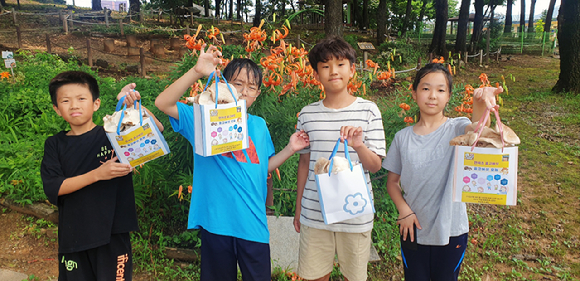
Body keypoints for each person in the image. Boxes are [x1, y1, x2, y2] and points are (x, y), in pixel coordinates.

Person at [154, 45, 309, 281]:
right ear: (223, 86)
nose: (245, 92)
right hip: (216, 223)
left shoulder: (259, 125)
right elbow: (163, 103)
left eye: (252, 87)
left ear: (258, 94)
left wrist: (290, 149)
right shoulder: (202, 119)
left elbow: (261, 168)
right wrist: (197, 71)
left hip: (252, 223)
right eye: (238, 84)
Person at [382, 63, 502, 281]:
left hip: (452, 230)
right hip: (413, 230)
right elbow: (392, 182)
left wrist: (480, 103)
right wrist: (404, 211)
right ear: (414, 93)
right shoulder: (402, 137)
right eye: (425, 88)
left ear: (448, 96)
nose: (432, 96)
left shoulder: (456, 127)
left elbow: (477, 130)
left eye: (440, 90)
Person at [41, 71, 163, 281]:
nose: (74, 105)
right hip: (74, 236)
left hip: (112, 236)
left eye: (81, 99)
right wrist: (98, 174)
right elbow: (55, 187)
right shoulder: (55, 145)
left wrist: (132, 106)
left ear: (96, 103)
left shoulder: (112, 134)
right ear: (57, 109)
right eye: (65, 101)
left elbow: (157, 130)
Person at [293, 37, 386, 281]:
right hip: (314, 212)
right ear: (316, 74)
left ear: (352, 70)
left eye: (341, 64)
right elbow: (305, 163)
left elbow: (375, 166)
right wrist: (298, 207)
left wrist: (358, 145)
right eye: (325, 66)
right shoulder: (307, 114)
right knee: (314, 277)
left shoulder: (369, 110)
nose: (333, 71)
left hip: (354, 214)